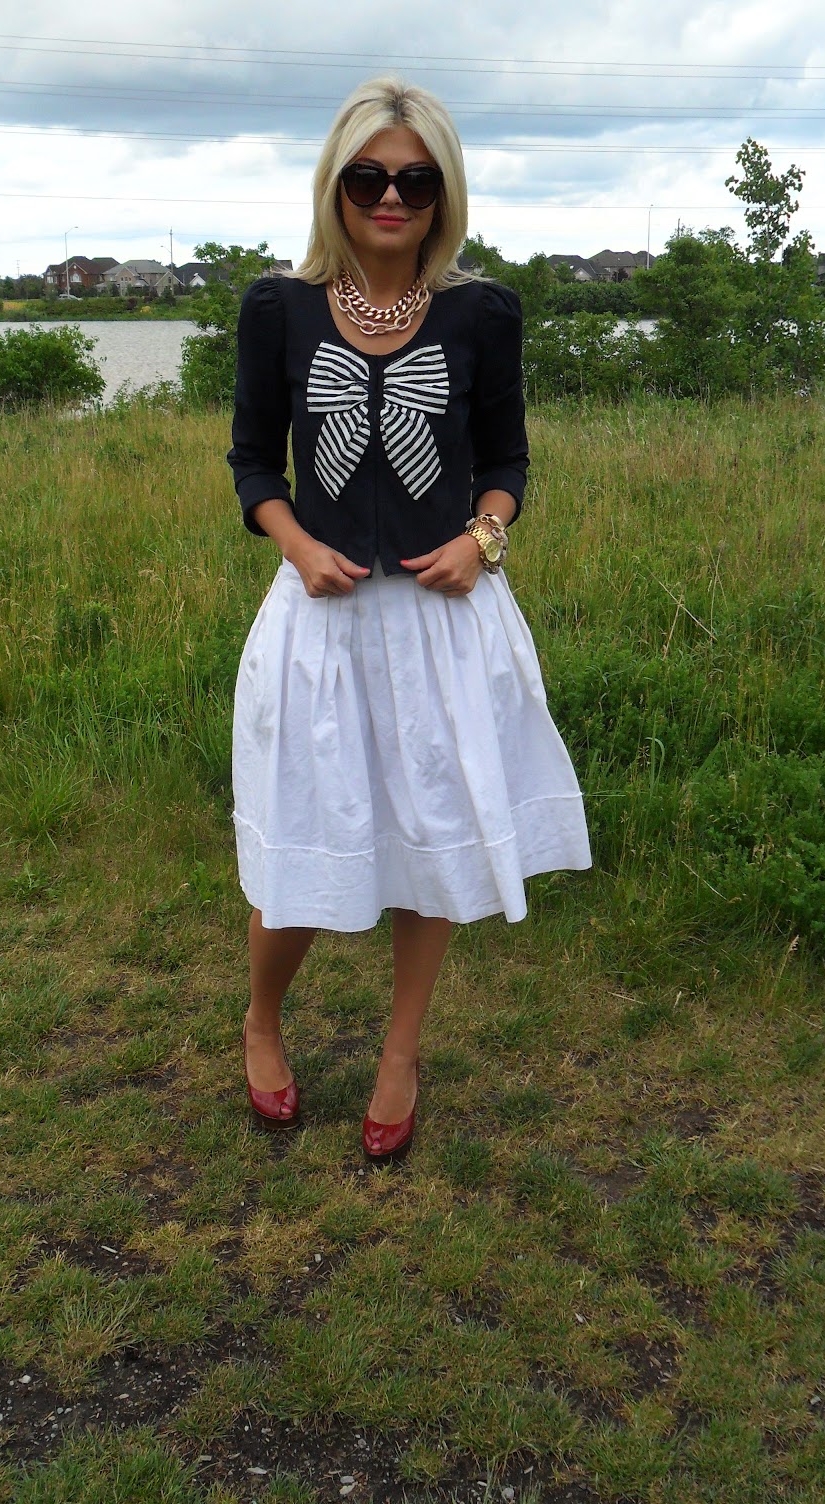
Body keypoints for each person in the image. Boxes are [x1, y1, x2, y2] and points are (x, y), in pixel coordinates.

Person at [227, 76, 591, 1163]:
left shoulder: (483, 313)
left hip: (442, 620)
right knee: (307, 834)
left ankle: (400, 1052)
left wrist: (485, 539)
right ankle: (261, 1020)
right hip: (321, 622)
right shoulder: (278, 309)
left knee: (433, 837)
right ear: (335, 184)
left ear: (444, 192)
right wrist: (296, 545)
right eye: (369, 177)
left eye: (416, 180)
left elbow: (506, 461)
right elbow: (253, 463)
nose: (391, 197)